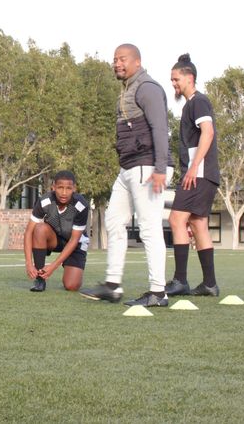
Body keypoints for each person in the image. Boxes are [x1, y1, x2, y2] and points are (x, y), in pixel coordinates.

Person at [80, 44, 174, 307]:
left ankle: (158, 292)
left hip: (148, 166)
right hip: (129, 167)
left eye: (122, 59)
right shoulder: (127, 90)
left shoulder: (147, 88)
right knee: (113, 220)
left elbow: (160, 129)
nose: (117, 64)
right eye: (114, 60)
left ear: (137, 62)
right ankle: (113, 285)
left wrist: (160, 169)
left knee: (149, 227)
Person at [165, 54, 221, 297]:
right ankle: (209, 284)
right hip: (203, 174)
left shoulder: (198, 102)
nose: (173, 84)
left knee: (176, 219)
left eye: (176, 79)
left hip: (198, 174)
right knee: (198, 224)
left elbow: (208, 132)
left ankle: (180, 280)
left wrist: (193, 167)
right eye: (171, 80)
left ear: (190, 78)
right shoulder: (191, 104)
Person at [23, 170, 90, 292]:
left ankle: (71, 265)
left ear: (74, 188)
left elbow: (74, 240)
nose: (64, 193)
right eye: (60, 188)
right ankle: (40, 279)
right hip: (55, 239)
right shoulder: (44, 201)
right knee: (39, 228)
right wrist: (28, 263)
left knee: (71, 286)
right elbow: (28, 232)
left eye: (68, 188)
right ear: (53, 187)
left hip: (75, 243)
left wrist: (53, 266)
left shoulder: (81, 205)